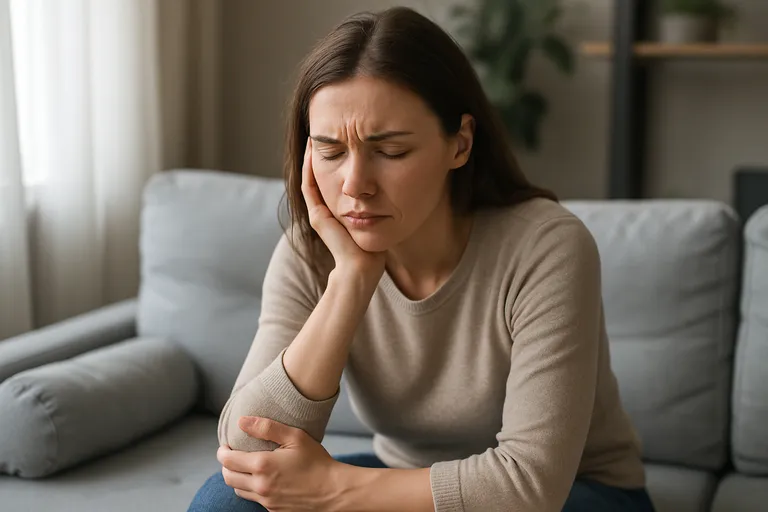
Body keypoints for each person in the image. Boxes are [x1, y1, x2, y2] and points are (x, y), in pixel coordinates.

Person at [188, 6, 656, 512]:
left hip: (577, 493)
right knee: (226, 503)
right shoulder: (310, 252)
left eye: (389, 152)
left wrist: (334, 488)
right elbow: (247, 452)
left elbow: (529, 486)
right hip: (405, 479)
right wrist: (350, 282)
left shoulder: (547, 247)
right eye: (329, 151)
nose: (354, 186)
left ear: (460, 143)